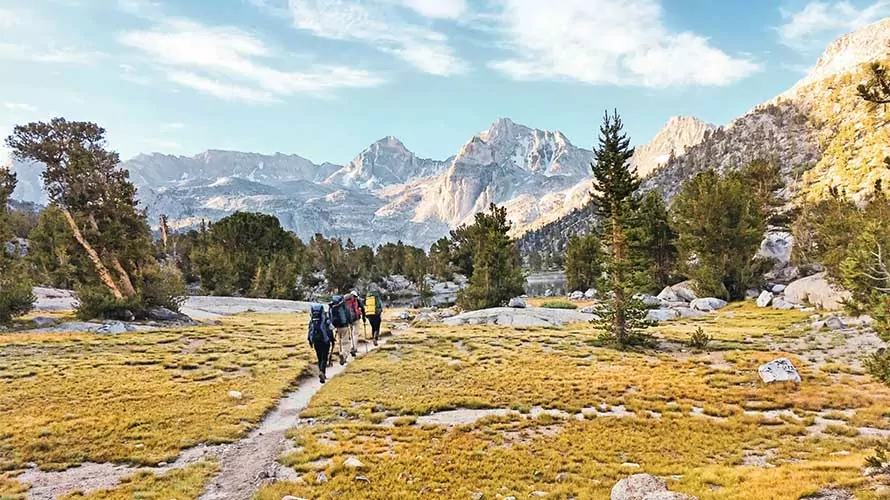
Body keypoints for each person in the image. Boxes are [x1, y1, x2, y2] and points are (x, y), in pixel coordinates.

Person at [307, 304, 334, 383]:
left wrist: (310, 341)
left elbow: (309, 332)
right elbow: (330, 330)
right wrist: (332, 339)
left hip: (316, 341)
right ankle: (322, 372)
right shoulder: (326, 319)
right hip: (325, 341)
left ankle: (320, 372)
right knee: (324, 357)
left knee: (319, 357)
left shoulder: (312, 321)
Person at [329, 294, 352, 365]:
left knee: (340, 342)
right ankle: (344, 355)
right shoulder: (344, 307)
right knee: (346, 342)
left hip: (337, 327)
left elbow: (330, 317)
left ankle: (341, 353)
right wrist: (350, 323)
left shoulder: (332, 307)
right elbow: (348, 316)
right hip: (344, 326)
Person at [344, 290, 365, 357]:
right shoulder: (357, 300)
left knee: (347, 335)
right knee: (355, 333)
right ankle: (354, 347)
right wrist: (364, 318)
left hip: (347, 319)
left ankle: (346, 350)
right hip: (356, 318)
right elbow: (362, 308)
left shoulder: (345, 300)